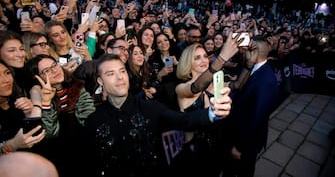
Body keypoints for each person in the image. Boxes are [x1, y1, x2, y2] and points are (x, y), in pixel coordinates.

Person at [83, 54, 233, 177]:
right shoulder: (93, 121)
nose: (120, 77)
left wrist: (213, 113)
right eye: (111, 74)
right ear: (100, 81)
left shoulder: (150, 108)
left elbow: (183, 120)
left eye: (122, 71)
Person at [25, 54, 95, 177]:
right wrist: (46, 103)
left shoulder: (78, 87)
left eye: (54, 65)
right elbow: (51, 133)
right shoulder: (36, 100)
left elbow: (89, 121)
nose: (54, 71)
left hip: (85, 154)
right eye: (46, 70)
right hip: (57, 161)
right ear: (38, 78)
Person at [223, 35, 280, 177]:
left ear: (252, 50)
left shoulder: (266, 80)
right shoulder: (250, 66)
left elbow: (257, 118)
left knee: (243, 171)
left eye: (246, 48)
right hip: (236, 131)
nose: (243, 51)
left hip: (246, 142)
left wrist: (240, 147)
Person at [0, 61, 45, 156]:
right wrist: (11, 145)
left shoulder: (17, 100)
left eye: (7, 73)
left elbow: (37, 137)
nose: (6, 80)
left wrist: (29, 114)